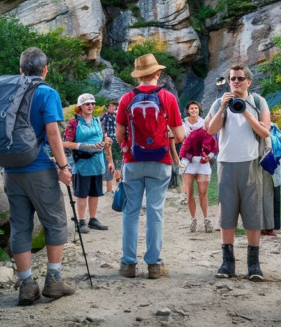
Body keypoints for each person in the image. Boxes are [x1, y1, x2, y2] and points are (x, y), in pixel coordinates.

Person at [2, 47, 75, 305]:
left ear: (21, 69)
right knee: (54, 222)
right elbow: (53, 134)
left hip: (11, 170)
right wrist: (64, 167)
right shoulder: (46, 92)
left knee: (20, 226)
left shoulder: (8, 92)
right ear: (45, 70)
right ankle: (54, 281)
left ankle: (26, 285)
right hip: (39, 168)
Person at [116, 54, 184, 279]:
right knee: (155, 212)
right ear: (157, 73)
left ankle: (128, 265)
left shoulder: (126, 99)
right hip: (160, 162)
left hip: (133, 162)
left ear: (138, 75)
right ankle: (154, 265)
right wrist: (167, 134)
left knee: (131, 212)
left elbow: (119, 135)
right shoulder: (168, 97)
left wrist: (127, 150)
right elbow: (180, 135)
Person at [205, 63, 272, 281]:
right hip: (226, 164)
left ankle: (254, 265)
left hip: (251, 163)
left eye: (240, 78)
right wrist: (224, 107)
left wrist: (245, 111)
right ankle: (228, 262)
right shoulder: (219, 102)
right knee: (227, 214)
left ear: (248, 81)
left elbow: (264, 131)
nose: (235, 82)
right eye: (232, 78)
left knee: (253, 214)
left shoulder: (258, 102)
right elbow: (211, 130)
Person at [62, 93, 114, 234]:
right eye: (87, 104)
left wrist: (110, 161)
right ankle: (81, 220)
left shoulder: (98, 121)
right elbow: (65, 143)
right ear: (81, 106)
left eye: (92, 103)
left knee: (95, 192)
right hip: (82, 163)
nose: (90, 106)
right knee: (82, 193)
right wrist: (83, 146)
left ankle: (93, 219)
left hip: (97, 162)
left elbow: (105, 141)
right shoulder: (74, 123)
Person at [179, 101, 218, 233]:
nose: (194, 110)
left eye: (196, 108)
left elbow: (211, 139)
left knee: (203, 192)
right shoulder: (183, 123)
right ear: (188, 110)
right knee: (189, 192)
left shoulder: (204, 123)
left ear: (199, 110)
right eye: (191, 108)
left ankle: (206, 219)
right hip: (188, 161)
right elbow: (179, 138)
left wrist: (210, 155)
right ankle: (193, 219)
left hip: (202, 161)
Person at [101, 100, 121, 194]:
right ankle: (109, 189)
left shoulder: (117, 116)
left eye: (112, 106)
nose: (111, 108)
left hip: (117, 142)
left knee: (118, 163)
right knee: (110, 162)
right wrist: (104, 135)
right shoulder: (105, 116)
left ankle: (117, 186)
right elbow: (100, 125)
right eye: (109, 106)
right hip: (108, 142)